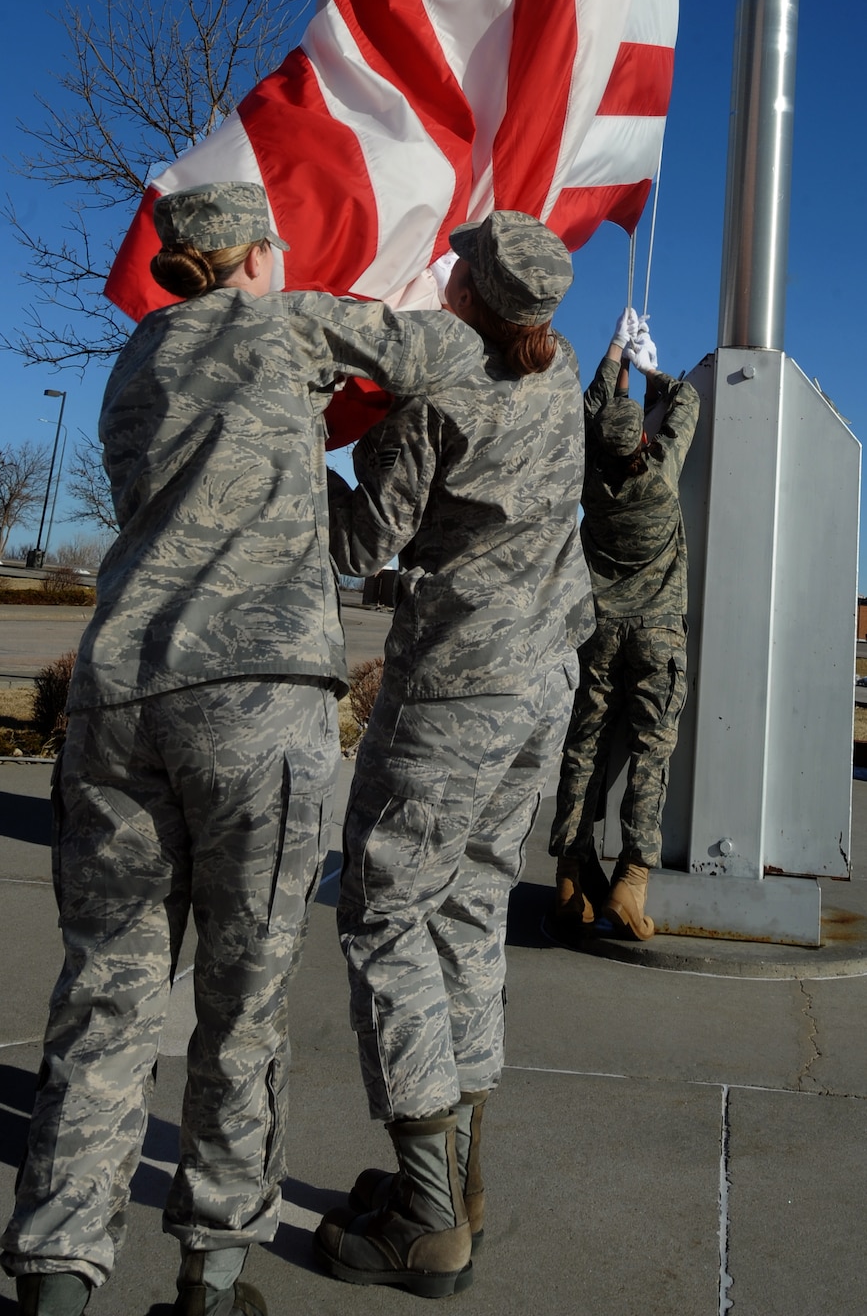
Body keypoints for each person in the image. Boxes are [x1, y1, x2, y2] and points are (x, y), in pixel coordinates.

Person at [0, 181, 487, 1316]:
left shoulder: (129, 369)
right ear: (258, 252)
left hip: (119, 698)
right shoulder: (289, 321)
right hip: (257, 706)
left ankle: (57, 1278)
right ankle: (213, 1278)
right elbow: (436, 350)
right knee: (242, 1002)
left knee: (105, 998)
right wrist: (461, 276)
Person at [313, 210, 593, 1300]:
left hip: (457, 693)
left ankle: (427, 1221)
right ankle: (457, 1179)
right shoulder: (557, 366)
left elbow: (356, 542)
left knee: (384, 912)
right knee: (469, 908)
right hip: (542, 680)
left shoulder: (436, 397)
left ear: (467, 289)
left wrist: (302, 441)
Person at [548, 307, 700, 942]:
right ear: (643, 439)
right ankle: (632, 879)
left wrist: (613, 353)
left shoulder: (590, 482)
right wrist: (650, 372)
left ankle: (571, 869)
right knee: (649, 754)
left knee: (583, 748)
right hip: (657, 637)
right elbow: (687, 400)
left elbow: (589, 418)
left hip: (599, 634)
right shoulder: (660, 476)